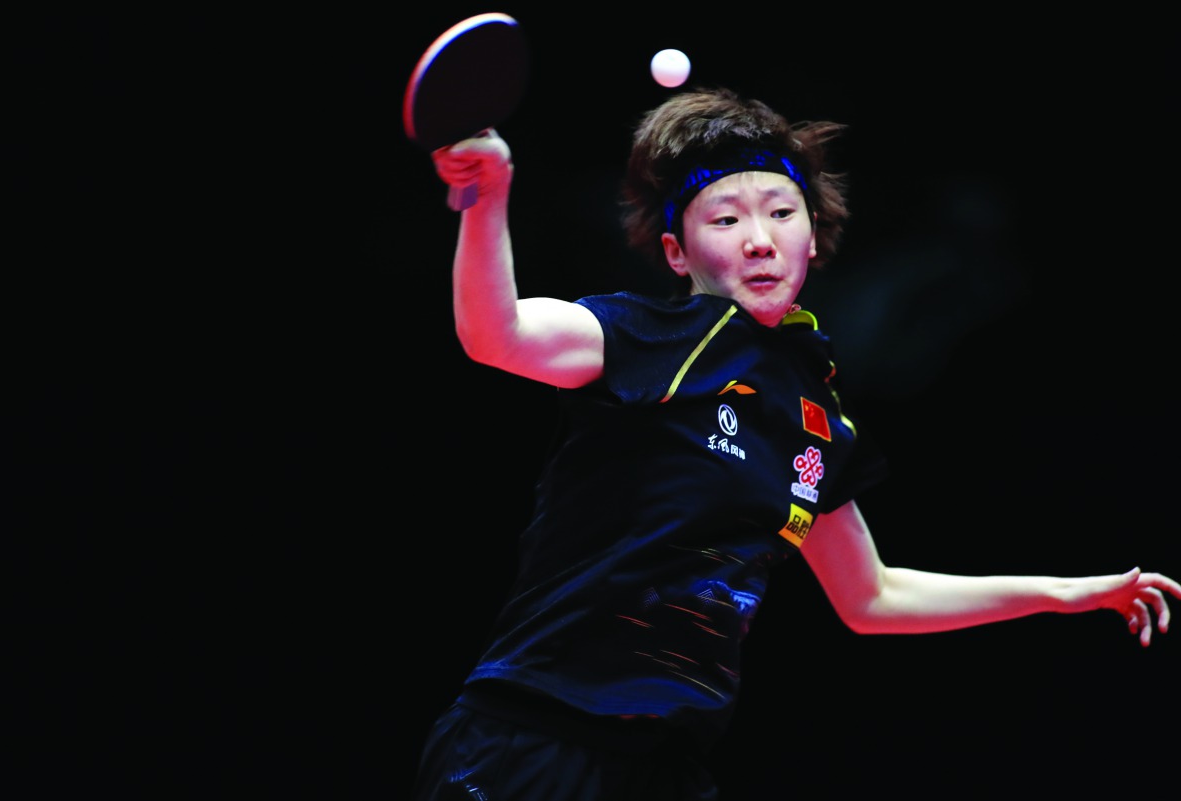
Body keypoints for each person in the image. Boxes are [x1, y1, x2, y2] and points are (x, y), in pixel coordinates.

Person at [410, 86, 1180, 801]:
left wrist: (1067, 593)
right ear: (678, 253)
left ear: (813, 236)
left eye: (781, 213)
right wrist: (487, 200)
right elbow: (496, 333)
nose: (759, 241)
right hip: (532, 738)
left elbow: (874, 596)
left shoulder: (815, 413)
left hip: (661, 768)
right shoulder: (642, 335)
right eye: (725, 220)